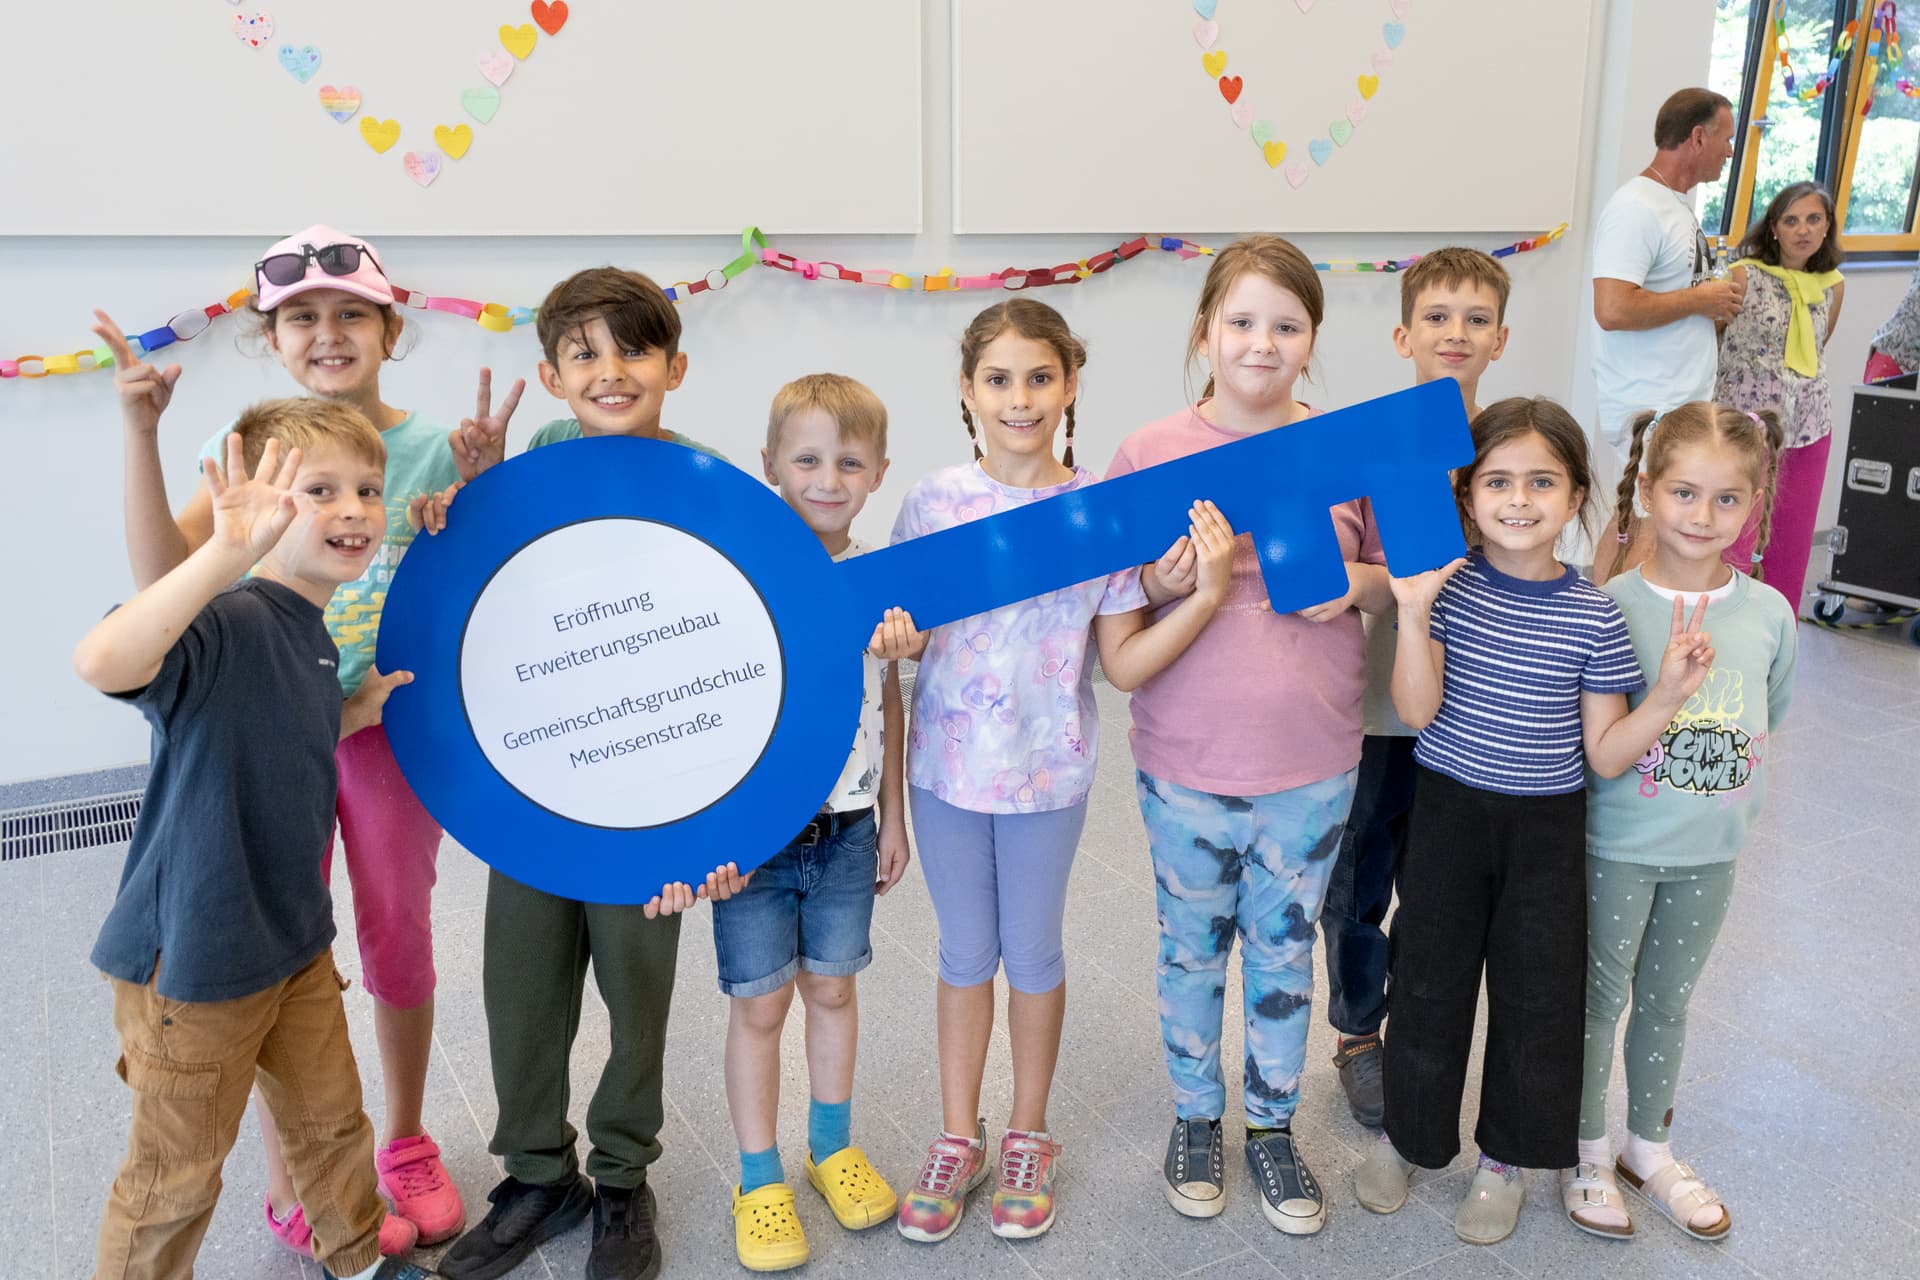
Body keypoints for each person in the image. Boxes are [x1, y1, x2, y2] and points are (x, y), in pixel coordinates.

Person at [102, 224, 502, 1253]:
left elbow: (479, 585)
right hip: (260, 734)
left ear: (390, 329)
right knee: (281, 943)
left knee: (397, 933)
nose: (328, 333)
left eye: (350, 313)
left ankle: (403, 1138)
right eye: (303, 318)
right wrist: (141, 436)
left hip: (382, 724)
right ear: (272, 337)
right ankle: (296, 1169)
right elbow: (162, 583)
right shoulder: (246, 447)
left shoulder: (424, 450)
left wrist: (481, 493)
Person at [887, 298, 1236, 1244]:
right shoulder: (933, 502)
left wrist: (1200, 599)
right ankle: (959, 1135)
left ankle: (1029, 1133)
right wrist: (898, 639)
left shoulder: (1099, 517)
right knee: (964, 955)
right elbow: (906, 639)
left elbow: (1120, 663)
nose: (1020, 398)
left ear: (1071, 383)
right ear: (967, 390)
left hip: (1049, 776)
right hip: (947, 771)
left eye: (1040, 377)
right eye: (998, 379)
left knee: (1033, 953)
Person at [79, 400, 441, 1280]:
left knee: (332, 1127)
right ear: (263, 506)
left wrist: (355, 711)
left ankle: (358, 1258)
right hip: (196, 969)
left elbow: (285, 737)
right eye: (320, 490)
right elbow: (104, 662)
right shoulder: (229, 619)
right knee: (175, 1179)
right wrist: (217, 557)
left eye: (367, 489)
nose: (353, 507)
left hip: (292, 947)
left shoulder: (313, 635)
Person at [434, 267, 734, 1280]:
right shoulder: (547, 455)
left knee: (636, 987)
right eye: (585, 354)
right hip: (539, 781)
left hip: (655, 792)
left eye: (633, 351)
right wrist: (472, 490)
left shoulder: (709, 483)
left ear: (675, 366)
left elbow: (744, 647)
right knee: (519, 982)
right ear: (553, 375)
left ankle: (619, 1175)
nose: (611, 372)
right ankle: (533, 1171)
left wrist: (722, 815)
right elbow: (493, 586)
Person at [1357, 397, 1714, 1246]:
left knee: (1536, 997)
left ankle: (1508, 1161)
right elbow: (1415, 706)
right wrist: (1411, 612)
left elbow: (1606, 752)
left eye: (1542, 482)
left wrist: (1664, 697)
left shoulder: (1594, 615)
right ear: (1469, 495)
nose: (1520, 500)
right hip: (1447, 813)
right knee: (1430, 982)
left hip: (1546, 831)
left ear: (1576, 493)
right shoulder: (1442, 589)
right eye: (1499, 481)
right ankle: (1409, 1141)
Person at [1109, 235, 1392, 1236]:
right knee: (1191, 946)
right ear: (1203, 333)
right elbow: (1121, 590)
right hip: (1184, 755)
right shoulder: (1147, 451)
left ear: (1312, 341)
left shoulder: (1354, 445)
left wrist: (1348, 586)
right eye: (1241, 321)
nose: (1261, 343)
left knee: (1282, 949)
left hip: (1312, 759)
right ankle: (1197, 1114)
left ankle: (1271, 1125)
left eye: (1286, 324)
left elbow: (1402, 575)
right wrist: (1164, 580)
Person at [1563, 402, 1795, 1243]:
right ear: (1650, 495)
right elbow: (1598, 748)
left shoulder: (1770, 613)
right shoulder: (1607, 607)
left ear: (1757, 503)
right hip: (1616, 848)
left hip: (1712, 853)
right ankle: (1586, 1149)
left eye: (1728, 499)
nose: (1704, 517)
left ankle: (1647, 1148)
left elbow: (1768, 712)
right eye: (1686, 494)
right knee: (1596, 1000)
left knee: (1668, 1002)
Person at [713, 374, 911, 1271]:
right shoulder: (737, 578)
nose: (827, 478)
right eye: (806, 458)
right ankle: (759, 1179)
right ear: (769, 466)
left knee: (833, 987)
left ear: (876, 474)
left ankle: (830, 1147)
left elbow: (891, 702)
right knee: (759, 1007)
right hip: (755, 837)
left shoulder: (875, 579)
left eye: (850, 461)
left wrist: (893, 812)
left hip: (850, 825)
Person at [1324, 247, 1511, 1129]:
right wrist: (1391, 587)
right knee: (1360, 878)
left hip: (1478, 716)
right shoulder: (1373, 444)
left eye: (1476, 320)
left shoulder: (1509, 448)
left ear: (1501, 340)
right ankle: (1358, 1033)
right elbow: (1348, 575)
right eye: (1437, 317)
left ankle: (1420, 1029)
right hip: (1379, 712)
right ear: (1404, 333)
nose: (1455, 334)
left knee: (1437, 882)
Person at [1712, 183, 1844, 616]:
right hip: (1745, 427)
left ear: (1827, 227)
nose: (1803, 230)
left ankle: (1778, 648)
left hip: (1809, 429)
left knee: (1790, 544)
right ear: (1773, 229)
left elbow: (1819, 346)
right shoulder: (1743, 275)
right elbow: (1713, 337)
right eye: (1791, 220)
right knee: (1738, 538)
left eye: (1813, 219)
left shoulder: (1832, 285)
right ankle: (1724, 632)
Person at [1591, 89, 1744, 453]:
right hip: (1650, 407)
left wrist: (1716, 305)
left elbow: (1679, 304)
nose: (1730, 151)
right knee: (1645, 512)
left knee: (1647, 513)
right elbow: (1612, 309)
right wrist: (1700, 298)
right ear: (1698, 137)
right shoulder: (1635, 207)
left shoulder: (1675, 206)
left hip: (1682, 405)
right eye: (1727, 139)